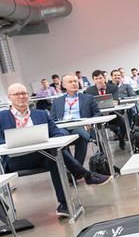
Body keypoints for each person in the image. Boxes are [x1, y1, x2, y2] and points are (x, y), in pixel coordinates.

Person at [1, 83, 110, 218]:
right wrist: (15, 142)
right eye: (17, 94)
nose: (22, 96)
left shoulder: (40, 114)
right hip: (17, 160)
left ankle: (64, 204)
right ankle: (85, 175)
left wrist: (48, 141)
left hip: (43, 155)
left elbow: (57, 133)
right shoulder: (2, 117)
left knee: (54, 157)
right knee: (53, 155)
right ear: (9, 97)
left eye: (24, 93)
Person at [51, 74, 102, 166]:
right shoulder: (57, 101)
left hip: (80, 126)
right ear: (63, 85)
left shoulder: (88, 98)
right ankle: (75, 167)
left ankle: (76, 167)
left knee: (81, 135)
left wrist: (90, 122)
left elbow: (97, 113)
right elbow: (52, 119)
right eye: (70, 82)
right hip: (63, 127)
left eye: (75, 81)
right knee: (60, 138)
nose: (74, 83)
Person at [86, 70, 127, 150]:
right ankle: (101, 147)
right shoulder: (89, 90)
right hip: (98, 115)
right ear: (93, 80)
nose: (99, 80)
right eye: (96, 79)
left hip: (112, 113)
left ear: (104, 78)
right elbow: (89, 105)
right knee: (91, 128)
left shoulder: (112, 87)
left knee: (122, 122)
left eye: (100, 78)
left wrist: (113, 103)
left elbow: (115, 100)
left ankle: (121, 139)